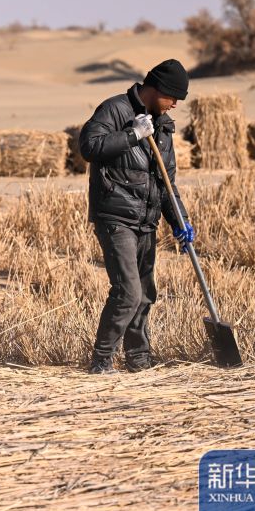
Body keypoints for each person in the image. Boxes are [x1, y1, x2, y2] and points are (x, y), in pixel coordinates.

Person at [79, 60, 194, 374]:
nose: (175, 105)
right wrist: (132, 134)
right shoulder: (115, 110)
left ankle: (139, 361)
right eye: (173, 98)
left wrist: (180, 221)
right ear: (157, 89)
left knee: (144, 295)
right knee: (127, 291)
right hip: (115, 215)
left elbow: (167, 182)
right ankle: (101, 362)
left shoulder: (164, 125)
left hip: (147, 218)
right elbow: (88, 146)